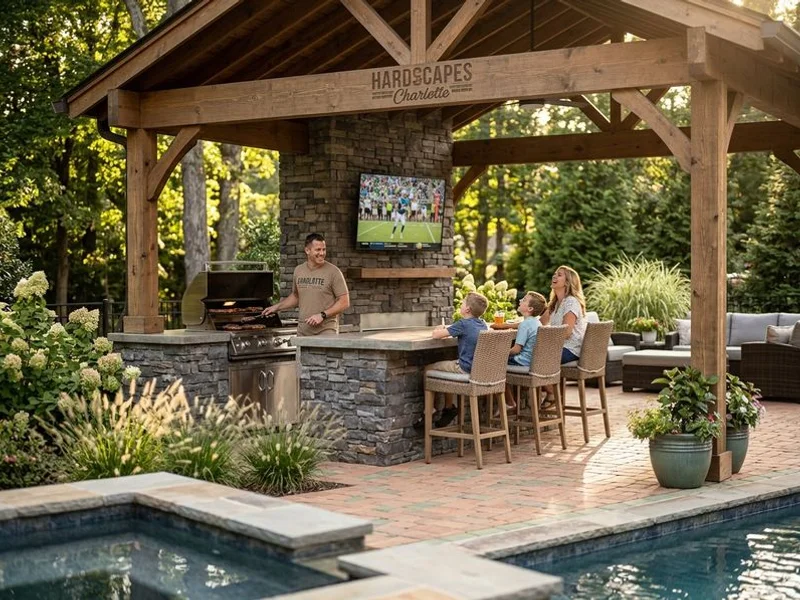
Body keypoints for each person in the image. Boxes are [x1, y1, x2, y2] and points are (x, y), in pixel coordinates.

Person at [415, 292, 489, 430]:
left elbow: (437, 335)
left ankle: (429, 409)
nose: (460, 305)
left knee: (428, 369)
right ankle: (449, 407)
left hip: (465, 368)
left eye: (462, 303)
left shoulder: (463, 324)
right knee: (447, 366)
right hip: (478, 370)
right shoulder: (483, 324)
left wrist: (440, 328)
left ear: (467, 309)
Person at [261, 233, 350, 336]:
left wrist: (322, 315)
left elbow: (344, 302)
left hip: (326, 331)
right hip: (303, 331)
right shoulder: (299, 270)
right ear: (307, 250)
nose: (322, 253)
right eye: (318, 250)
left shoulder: (334, 272)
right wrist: (276, 307)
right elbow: (296, 296)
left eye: (324, 249)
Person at [492, 291, 547, 412]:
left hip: (522, 362)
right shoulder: (537, 322)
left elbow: (516, 349)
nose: (520, 300)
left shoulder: (525, 325)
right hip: (533, 362)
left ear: (530, 308)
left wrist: (500, 353)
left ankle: (509, 402)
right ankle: (511, 401)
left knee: (493, 366)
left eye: (524, 300)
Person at [540, 265, 587, 404]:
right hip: (559, 347)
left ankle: (552, 393)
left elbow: (566, 332)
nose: (554, 276)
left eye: (559, 275)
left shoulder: (571, 302)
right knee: (529, 355)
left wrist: (545, 337)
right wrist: (512, 325)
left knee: (535, 358)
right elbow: (539, 323)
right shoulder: (554, 303)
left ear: (567, 282)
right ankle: (549, 395)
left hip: (571, 348)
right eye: (555, 273)